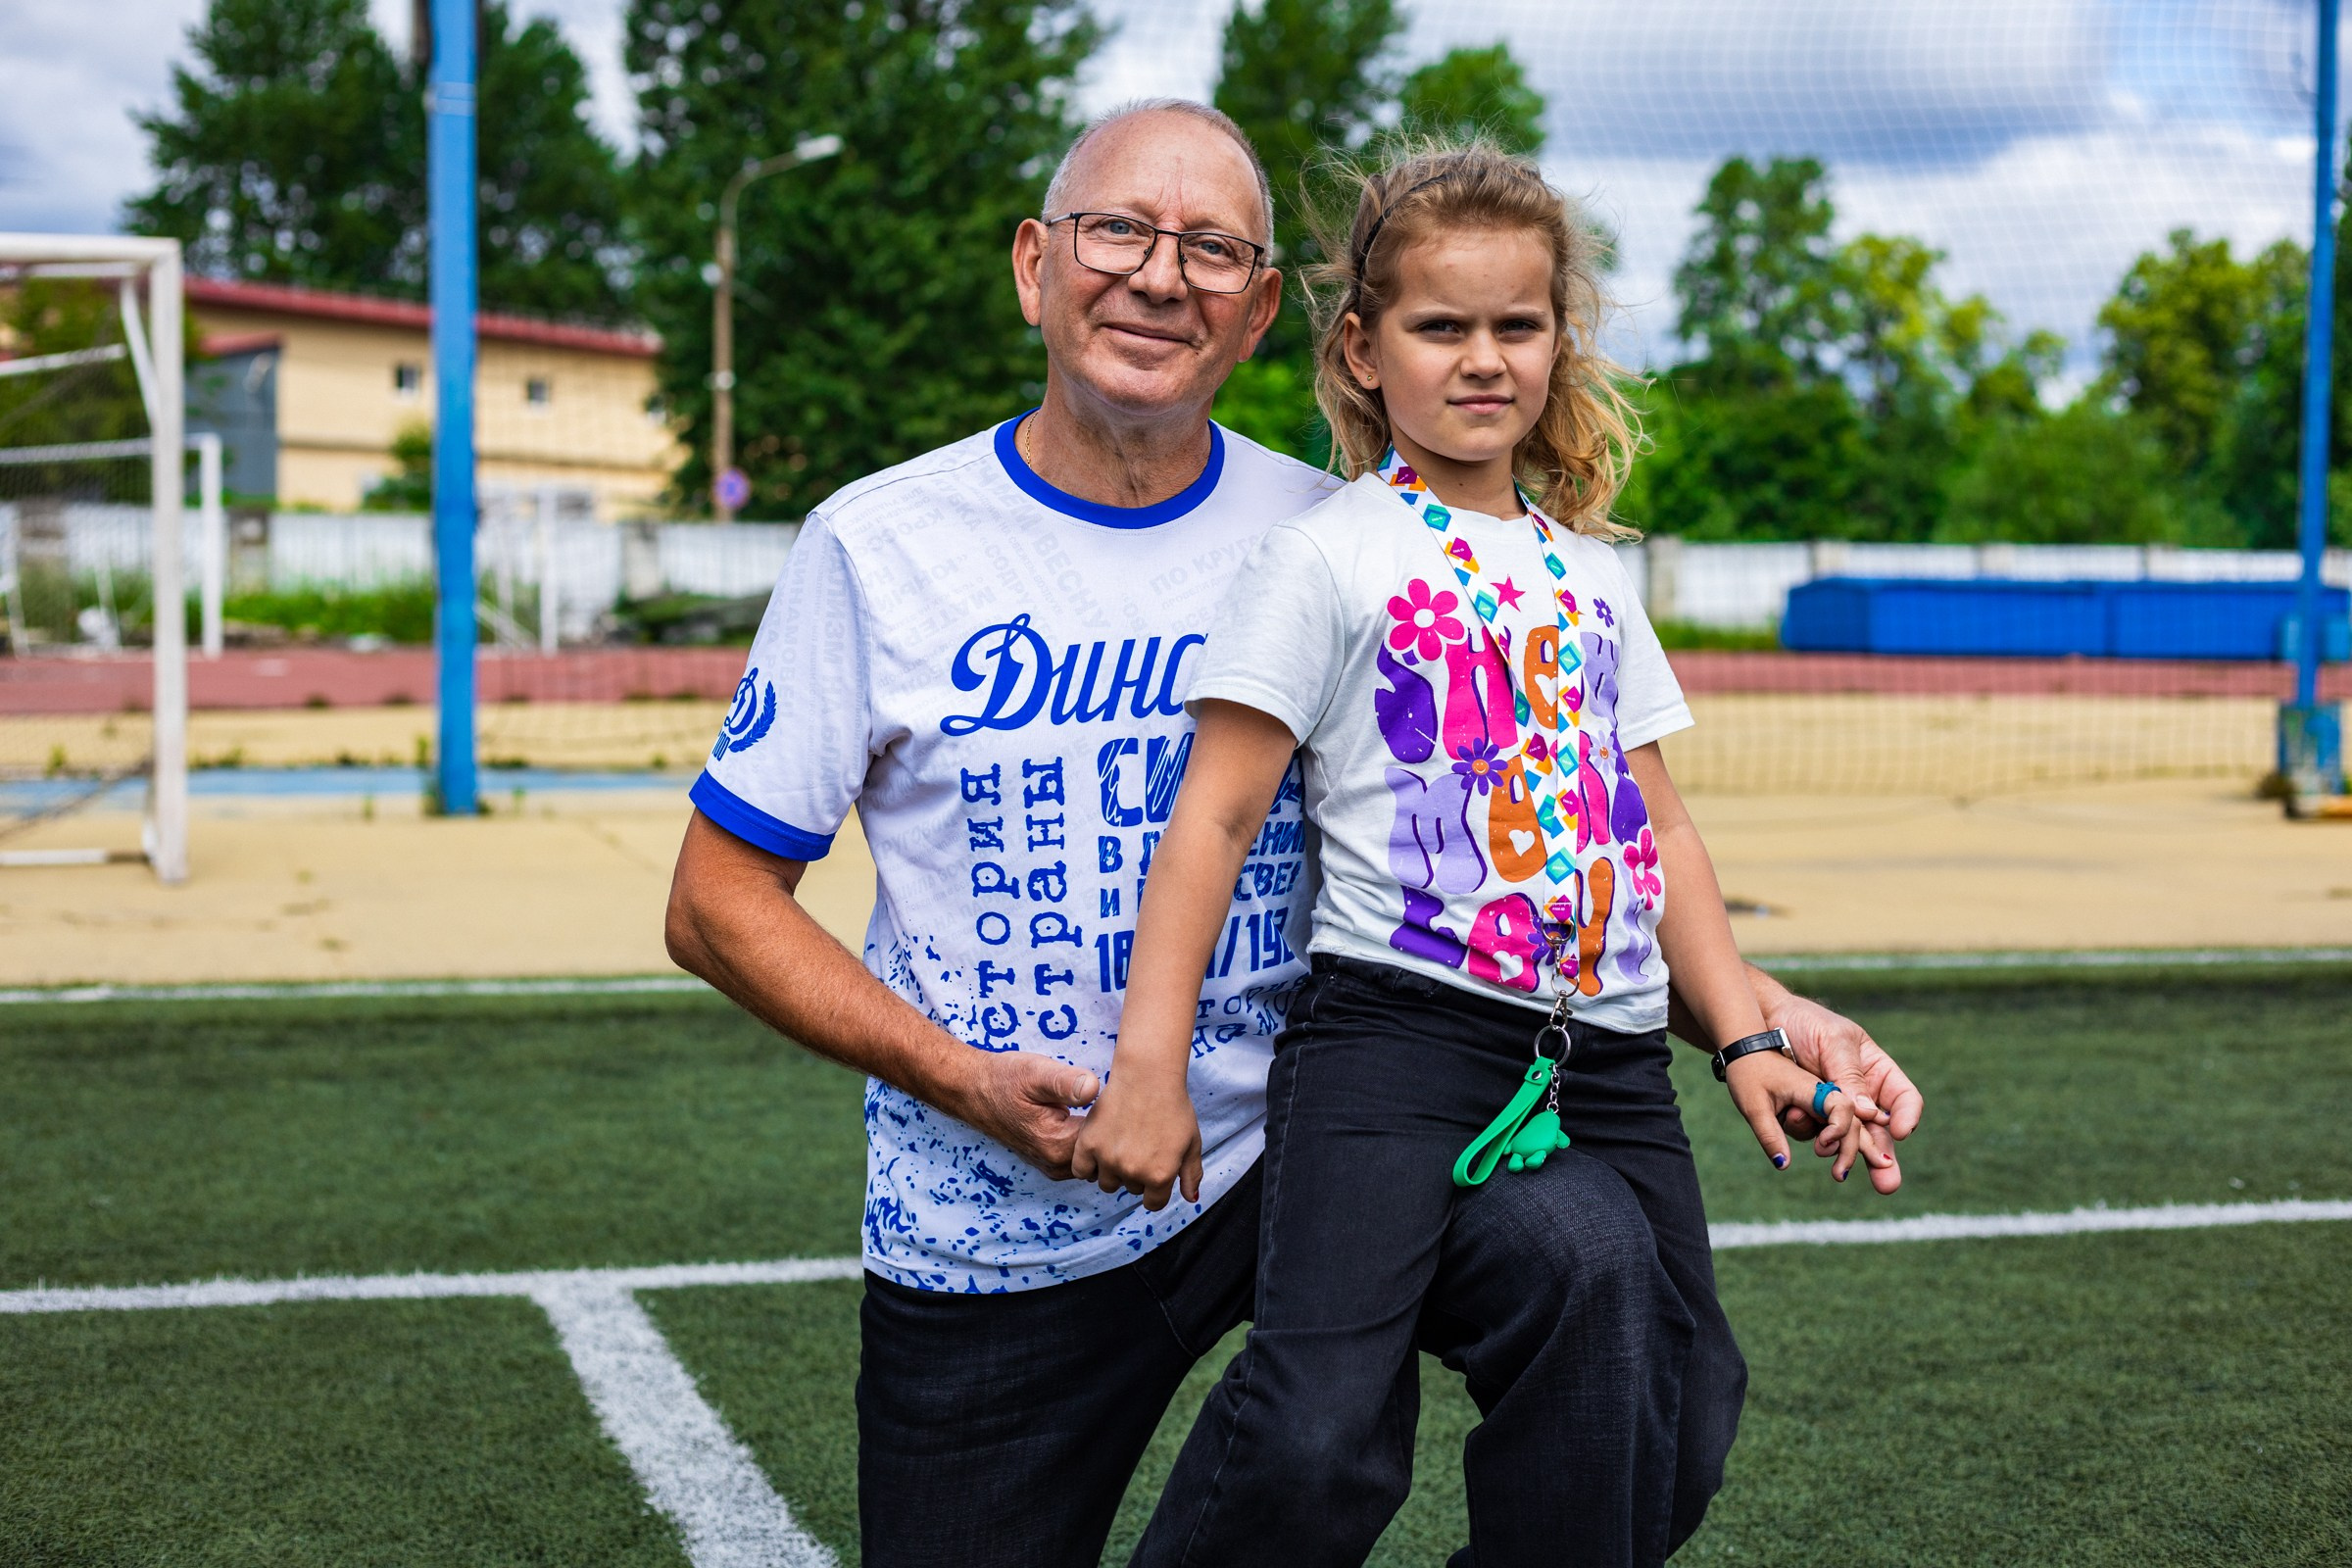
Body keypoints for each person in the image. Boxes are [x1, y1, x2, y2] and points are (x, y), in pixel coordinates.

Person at [664, 102, 1923, 1568]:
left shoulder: (1356, 533)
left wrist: (1759, 1017)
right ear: (1034, 264)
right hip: (1013, 1204)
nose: (1158, 275)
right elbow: (712, 903)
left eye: (1210, 249)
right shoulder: (878, 546)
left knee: (1601, 1286)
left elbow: (1504, 849)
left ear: (1262, 309)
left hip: (1327, 1131)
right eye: (1119, 232)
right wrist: (964, 1082)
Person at [1074, 139, 1872, 1568]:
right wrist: (1149, 1065)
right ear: (1365, 349)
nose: (1484, 358)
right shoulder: (1326, 559)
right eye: (1443, 326)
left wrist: (1746, 1035)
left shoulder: (1592, 577)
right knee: (1317, 1438)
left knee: (1682, 1422)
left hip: (1608, 1057)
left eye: (1518, 324)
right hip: (1396, 1048)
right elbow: (1214, 817)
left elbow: (1660, 829)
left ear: (1560, 343)